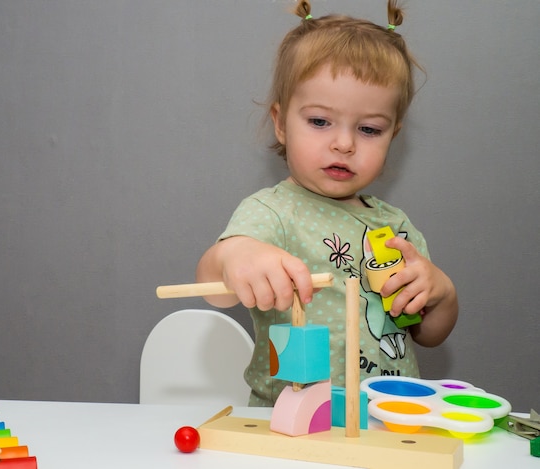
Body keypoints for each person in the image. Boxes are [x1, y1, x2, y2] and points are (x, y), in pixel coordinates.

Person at [196, 0, 458, 406]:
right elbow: (213, 287)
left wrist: (441, 293)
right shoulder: (274, 212)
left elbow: (430, 334)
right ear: (281, 123)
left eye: (370, 129)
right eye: (319, 121)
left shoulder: (396, 224)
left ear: (394, 135)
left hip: (388, 414)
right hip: (290, 417)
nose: (344, 143)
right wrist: (237, 255)